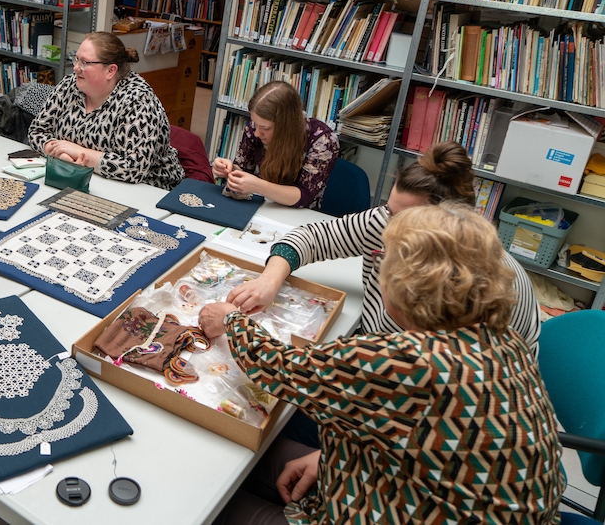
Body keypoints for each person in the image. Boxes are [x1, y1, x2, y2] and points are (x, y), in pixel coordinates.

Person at [201, 203, 565, 524]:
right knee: (256, 458)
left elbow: (276, 367)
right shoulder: (503, 339)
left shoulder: (409, 362)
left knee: (213, 504)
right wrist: (329, 457)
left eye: (384, 260)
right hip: (437, 493)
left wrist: (232, 320)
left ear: (409, 284)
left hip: (403, 506)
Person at [226, 141, 541, 354]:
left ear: (448, 229)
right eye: (389, 211)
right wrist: (269, 279)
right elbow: (311, 237)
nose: (388, 228)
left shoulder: (486, 293)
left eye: (404, 220)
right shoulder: (386, 221)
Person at [28, 31, 186, 190]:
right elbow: (36, 131)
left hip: (147, 190)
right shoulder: (70, 85)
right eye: (76, 59)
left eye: (84, 62)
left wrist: (79, 153)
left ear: (110, 71)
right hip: (83, 179)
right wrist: (58, 153)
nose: (76, 68)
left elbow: (134, 169)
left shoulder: (138, 100)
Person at [211, 81, 338, 210]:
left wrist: (259, 186)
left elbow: (305, 196)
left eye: (265, 127)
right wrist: (229, 169)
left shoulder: (323, 140)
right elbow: (244, 170)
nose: (256, 133)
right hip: (257, 206)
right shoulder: (255, 129)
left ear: (286, 125)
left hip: (297, 215)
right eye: (255, 124)